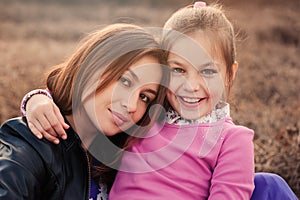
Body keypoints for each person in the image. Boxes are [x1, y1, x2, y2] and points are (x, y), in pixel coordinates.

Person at [18, 2, 298, 200]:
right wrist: (38, 99)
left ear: (230, 74)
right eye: (178, 70)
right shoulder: (148, 115)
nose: (192, 86)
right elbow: (81, 105)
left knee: (269, 185)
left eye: (208, 71)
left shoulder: (231, 139)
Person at [0, 23, 170, 200]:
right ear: (91, 66)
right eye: (125, 81)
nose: (132, 106)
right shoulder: (31, 146)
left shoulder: (126, 159)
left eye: (145, 97)